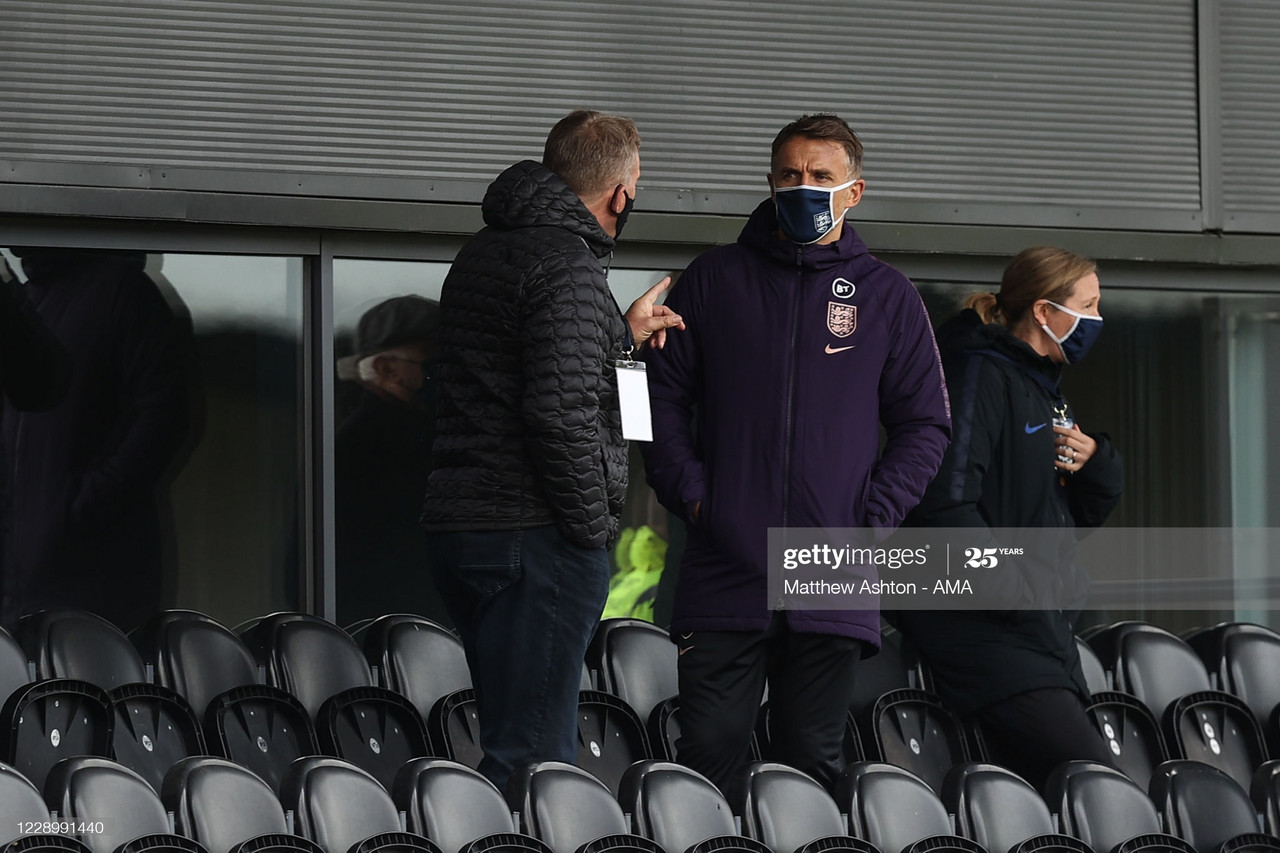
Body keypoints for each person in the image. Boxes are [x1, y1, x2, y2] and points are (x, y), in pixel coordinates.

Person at [641, 113, 951, 793]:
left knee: (810, 766)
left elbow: (926, 425)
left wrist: (867, 522)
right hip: (726, 564)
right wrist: (694, 492)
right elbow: (653, 397)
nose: (802, 188)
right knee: (707, 758)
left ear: (854, 191)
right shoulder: (712, 280)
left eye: (819, 176)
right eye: (789, 175)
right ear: (770, 181)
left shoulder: (890, 298)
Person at [420, 109, 683, 791]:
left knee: (512, 738)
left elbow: (549, 385)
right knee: (536, 759)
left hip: (469, 528)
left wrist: (621, 337)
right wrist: (592, 530)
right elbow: (558, 416)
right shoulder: (566, 267)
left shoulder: (486, 252)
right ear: (621, 192)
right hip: (534, 538)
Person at [892, 246, 1123, 790]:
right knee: (1103, 794)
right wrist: (1015, 588)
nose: (1096, 319)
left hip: (1038, 632)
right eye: (1087, 306)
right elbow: (942, 503)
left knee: (1056, 809)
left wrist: (1097, 465)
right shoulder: (977, 374)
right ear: (1045, 312)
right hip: (988, 632)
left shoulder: (1042, 390)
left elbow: (1061, 521)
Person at [0, 247, 189, 632]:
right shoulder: (27, 302)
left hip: (90, 580)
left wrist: (83, 509)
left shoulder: (122, 292)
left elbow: (165, 414)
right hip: (19, 584)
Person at [334, 294, 449, 627]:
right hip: (397, 639)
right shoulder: (379, 445)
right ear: (385, 369)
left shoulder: (376, 436)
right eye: (434, 356)